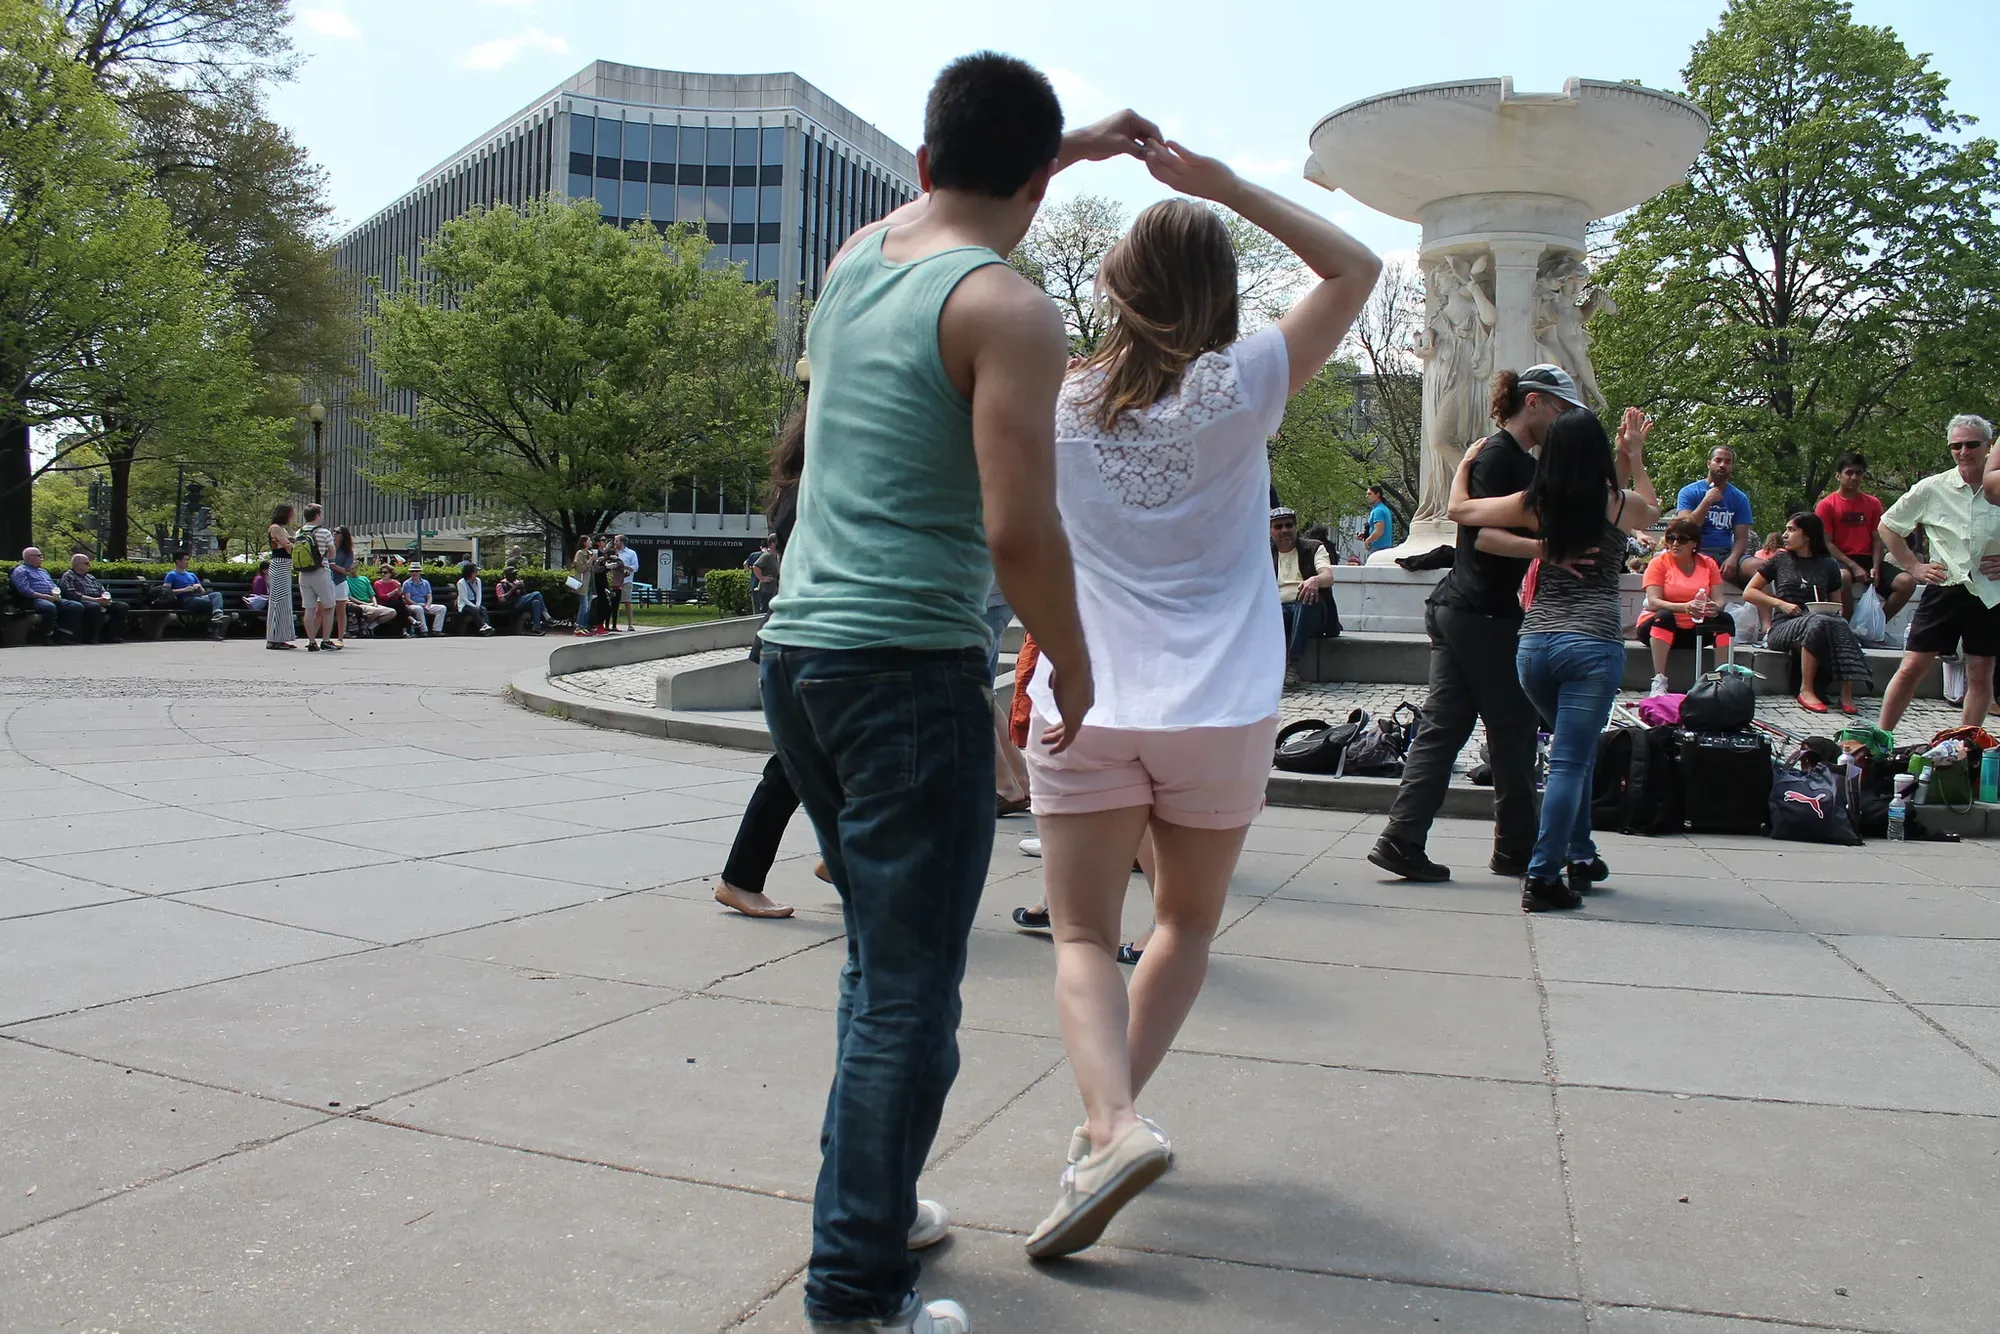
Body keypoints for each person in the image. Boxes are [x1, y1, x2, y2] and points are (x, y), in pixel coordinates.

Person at [755, 54, 1150, 1333]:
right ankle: (856, 1292)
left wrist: (1061, 146)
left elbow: (944, 189)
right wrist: (1075, 662)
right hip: (903, 671)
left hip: (796, 663)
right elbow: (1017, 529)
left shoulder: (856, 261)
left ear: (925, 163)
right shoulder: (1009, 311)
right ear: (1037, 182)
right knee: (910, 991)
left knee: (882, 967)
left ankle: (876, 1208)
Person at [1020, 138, 1379, 1259]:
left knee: (1083, 928)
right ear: (1221, 294)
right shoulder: (1248, 379)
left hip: (1087, 696)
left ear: (1115, 289)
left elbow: (1018, 540)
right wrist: (1221, 186)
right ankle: (1103, 1129)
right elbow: (1355, 267)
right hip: (1222, 703)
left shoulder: (1056, 397)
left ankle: (1111, 1122)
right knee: (1182, 924)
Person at [1368, 364, 1586, 883]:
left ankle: (1402, 839)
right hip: (1479, 612)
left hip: (1466, 610)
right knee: (1511, 729)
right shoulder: (1499, 455)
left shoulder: (1508, 458)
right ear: (1532, 402)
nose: (1563, 418)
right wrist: (1546, 550)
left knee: (1444, 731)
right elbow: (1482, 535)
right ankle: (1514, 849)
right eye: (1560, 407)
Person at [1448, 405, 1661, 911]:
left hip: (1535, 648)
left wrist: (1463, 470)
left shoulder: (1534, 502)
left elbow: (1466, 519)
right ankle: (1544, 876)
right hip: (1591, 646)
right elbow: (1652, 510)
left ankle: (1581, 854)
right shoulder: (1615, 503)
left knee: (1574, 753)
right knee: (1570, 761)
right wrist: (1634, 455)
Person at [714, 407, 829, 920]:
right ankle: (741, 878)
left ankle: (838, 859)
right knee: (792, 767)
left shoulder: (793, 488)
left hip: (794, 640)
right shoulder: (817, 488)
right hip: (809, 640)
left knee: (807, 763)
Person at [1878, 414, 2000, 734]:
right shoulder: (1933, 487)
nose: (1964, 451)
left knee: (1980, 672)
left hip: (1990, 590)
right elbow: (1888, 525)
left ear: (1989, 446)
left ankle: (1966, 743)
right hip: (1945, 585)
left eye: (1972, 444)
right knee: (1911, 668)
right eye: (1955, 446)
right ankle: (1883, 735)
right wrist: (1914, 566)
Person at [1745, 512, 1873, 715]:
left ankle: (1846, 694)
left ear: (1808, 535)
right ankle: (1806, 689)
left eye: (1792, 529)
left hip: (1817, 620)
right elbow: (1749, 592)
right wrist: (1781, 604)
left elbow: (1837, 605)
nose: (1785, 535)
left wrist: (1828, 610)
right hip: (1784, 626)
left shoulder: (1828, 565)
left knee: (1839, 623)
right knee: (1817, 622)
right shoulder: (1780, 560)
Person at [1817, 451, 1917, 622]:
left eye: (1859, 473)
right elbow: (1827, 543)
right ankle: (1846, 627)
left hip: (1868, 558)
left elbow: (1878, 538)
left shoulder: (1873, 503)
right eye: (1849, 473)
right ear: (1838, 475)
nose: (1854, 477)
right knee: (1843, 578)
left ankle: (1874, 626)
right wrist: (1853, 566)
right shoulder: (1826, 505)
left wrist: (1876, 567)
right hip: (1839, 560)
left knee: (1907, 582)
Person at [1637, 518, 1733, 694]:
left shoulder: (1708, 563)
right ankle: (1659, 681)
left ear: (1694, 543)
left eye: (1681, 539)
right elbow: (1653, 601)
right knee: (1664, 616)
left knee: (1725, 619)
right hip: (1657, 625)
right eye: (1670, 538)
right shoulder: (1658, 563)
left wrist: (1715, 608)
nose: (1674, 543)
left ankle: (1722, 679)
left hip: (1695, 628)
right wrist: (1684, 607)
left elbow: (1720, 599)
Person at [1676, 446, 1760, 589]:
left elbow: (1741, 538)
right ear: (1709, 463)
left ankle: (1773, 611)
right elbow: (1685, 527)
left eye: (1728, 462)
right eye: (1718, 460)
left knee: (1762, 568)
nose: (1722, 465)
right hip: (1693, 552)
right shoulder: (1689, 492)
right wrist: (1707, 501)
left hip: (1724, 554)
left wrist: (1733, 559)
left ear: (1732, 467)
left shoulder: (1739, 498)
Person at [1271, 506, 1337, 688]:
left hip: (1312, 611)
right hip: (1278, 611)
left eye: (1288, 525)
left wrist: (1315, 580)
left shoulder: (1314, 548)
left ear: (1296, 527)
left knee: (1306, 598)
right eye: (1278, 527)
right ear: (1270, 531)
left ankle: (1292, 664)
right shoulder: (1263, 553)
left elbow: (1328, 576)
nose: (1284, 530)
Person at [9, 547, 81, 642]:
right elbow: (25, 590)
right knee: (49, 607)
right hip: (33, 599)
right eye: (39, 556)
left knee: (76, 606)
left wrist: (56, 593)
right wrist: (44, 596)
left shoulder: (43, 571)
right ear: (30, 557)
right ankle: (44, 634)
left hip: (51, 597)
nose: (42, 558)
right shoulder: (21, 571)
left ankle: (61, 634)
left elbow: (52, 585)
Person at [294, 503, 338, 651]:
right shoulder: (324, 532)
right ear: (317, 516)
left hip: (303, 573)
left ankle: (312, 642)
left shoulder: (298, 532)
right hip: (321, 572)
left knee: (309, 609)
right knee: (329, 606)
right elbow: (332, 554)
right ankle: (325, 640)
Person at [59, 553, 127, 644]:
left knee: (121, 606)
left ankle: (111, 635)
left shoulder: (90, 577)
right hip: (84, 601)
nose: (89, 565)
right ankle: (90, 637)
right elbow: (71, 593)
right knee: (93, 606)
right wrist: (95, 600)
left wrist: (106, 599)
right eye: (86, 563)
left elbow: (101, 589)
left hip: (99, 600)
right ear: (77, 564)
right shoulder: (69, 576)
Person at [162, 551, 226, 639]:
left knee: (217, 595)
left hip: (198, 597)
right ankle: (213, 628)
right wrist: (184, 589)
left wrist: (199, 586)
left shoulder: (191, 575)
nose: (187, 562)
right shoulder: (172, 575)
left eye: (188, 560)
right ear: (178, 561)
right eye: (186, 560)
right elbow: (166, 591)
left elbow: (202, 591)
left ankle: (217, 614)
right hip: (187, 600)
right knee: (213, 604)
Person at [265, 504, 298, 649]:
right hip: (280, 565)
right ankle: (274, 638)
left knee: (283, 601)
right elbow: (287, 546)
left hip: (283, 566)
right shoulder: (276, 528)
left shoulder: (280, 528)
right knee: (279, 600)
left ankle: (280, 636)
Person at [328, 526, 359, 648]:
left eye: (337, 532)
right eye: (334, 532)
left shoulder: (347, 551)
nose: (334, 534)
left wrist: (333, 565)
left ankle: (340, 637)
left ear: (343, 535)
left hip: (340, 582)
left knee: (341, 611)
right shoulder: (329, 547)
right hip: (327, 581)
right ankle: (321, 637)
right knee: (323, 609)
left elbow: (346, 570)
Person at [343, 568, 400, 634]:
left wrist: (375, 604)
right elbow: (350, 597)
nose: (351, 570)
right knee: (376, 611)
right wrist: (366, 604)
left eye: (353, 568)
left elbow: (372, 594)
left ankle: (370, 627)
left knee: (392, 612)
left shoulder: (364, 579)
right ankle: (364, 626)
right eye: (350, 568)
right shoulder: (345, 581)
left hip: (371, 604)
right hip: (359, 604)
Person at [495, 566, 549, 634]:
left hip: (520, 602)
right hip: (511, 604)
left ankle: (536, 627)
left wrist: (522, 588)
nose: (515, 576)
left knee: (536, 602)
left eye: (516, 574)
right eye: (513, 574)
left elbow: (524, 596)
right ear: (507, 575)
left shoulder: (516, 582)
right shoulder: (501, 585)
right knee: (537, 593)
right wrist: (513, 589)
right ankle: (546, 615)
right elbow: (502, 599)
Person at [400, 566, 445, 636]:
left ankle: (437, 630)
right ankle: (424, 631)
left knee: (442, 608)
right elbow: (407, 599)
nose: (414, 573)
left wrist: (427, 605)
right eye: (412, 571)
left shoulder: (426, 583)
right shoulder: (407, 583)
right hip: (412, 605)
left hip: (425, 604)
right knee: (419, 608)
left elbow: (429, 597)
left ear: (420, 572)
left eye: (417, 571)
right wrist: (418, 604)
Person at [454, 562, 496, 636]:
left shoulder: (478, 581)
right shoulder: (461, 583)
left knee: (483, 609)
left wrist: (477, 604)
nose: (477, 573)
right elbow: (463, 598)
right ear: (469, 573)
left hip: (474, 602)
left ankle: (487, 625)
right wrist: (474, 606)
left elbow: (479, 594)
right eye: (475, 572)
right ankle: (483, 627)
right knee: (474, 610)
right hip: (465, 605)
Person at [596, 541, 626, 635]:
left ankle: (607, 625)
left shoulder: (616, 561)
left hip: (612, 585)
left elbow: (621, 566)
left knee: (611, 606)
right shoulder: (601, 560)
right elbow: (598, 570)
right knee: (607, 606)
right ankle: (604, 625)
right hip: (607, 585)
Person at [570, 536, 598, 633]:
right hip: (583, 584)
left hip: (590, 584)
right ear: (584, 542)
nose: (591, 542)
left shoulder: (589, 553)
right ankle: (579, 626)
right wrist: (590, 560)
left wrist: (595, 561)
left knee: (588, 607)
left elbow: (591, 568)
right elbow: (580, 568)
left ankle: (584, 626)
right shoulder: (580, 553)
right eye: (589, 541)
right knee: (584, 606)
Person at [614, 535, 640, 630]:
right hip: (615, 581)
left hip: (626, 581)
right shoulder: (614, 553)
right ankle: (614, 624)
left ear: (622, 542)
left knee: (627, 602)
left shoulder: (631, 553)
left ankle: (630, 624)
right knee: (615, 603)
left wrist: (623, 566)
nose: (614, 543)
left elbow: (635, 567)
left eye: (616, 541)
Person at [1364, 483, 1395, 555]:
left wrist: (1367, 541)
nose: (1367, 496)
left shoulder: (1378, 511)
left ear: (1377, 494)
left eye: (1369, 494)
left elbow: (1379, 531)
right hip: (1384, 548)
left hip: (1378, 549)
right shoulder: (1383, 508)